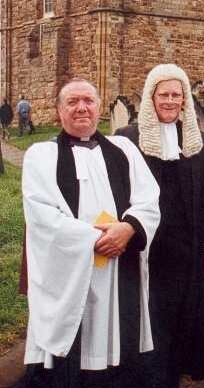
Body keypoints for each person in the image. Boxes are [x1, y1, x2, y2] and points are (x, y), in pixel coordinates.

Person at [21, 78, 160, 387]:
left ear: (99, 108)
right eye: (72, 102)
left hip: (119, 265)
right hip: (70, 267)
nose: (81, 108)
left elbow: (149, 198)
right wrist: (95, 240)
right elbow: (41, 214)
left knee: (119, 344)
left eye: (89, 101)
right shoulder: (40, 155)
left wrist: (129, 228)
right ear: (59, 111)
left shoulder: (124, 148)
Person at [116, 63, 204, 387]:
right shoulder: (128, 139)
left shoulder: (198, 142)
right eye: (164, 94)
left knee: (183, 323)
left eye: (177, 94)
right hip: (146, 251)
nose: (170, 100)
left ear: (185, 100)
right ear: (151, 96)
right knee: (149, 323)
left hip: (188, 251)